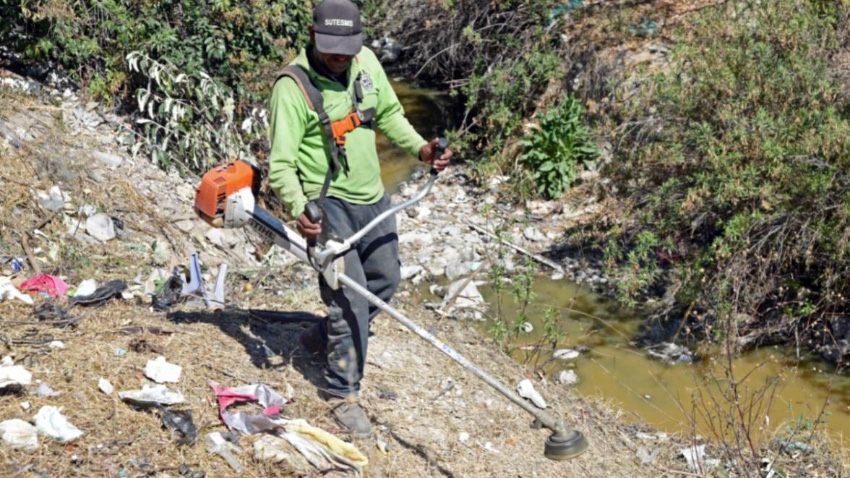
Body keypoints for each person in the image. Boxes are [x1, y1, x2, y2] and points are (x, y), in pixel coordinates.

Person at [267, 0, 452, 436]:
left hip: (373, 198)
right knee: (351, 298)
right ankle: (341, 392)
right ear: (312, 36)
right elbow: (280, 165)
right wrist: (300, 209)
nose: (340, 57)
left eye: (347, 48)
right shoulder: (292, 88)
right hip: (329, 206)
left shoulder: (365, 62)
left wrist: (421, 149)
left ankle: (325, 336)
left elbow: (388, 113)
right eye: (332, 48)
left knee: (384, 282)